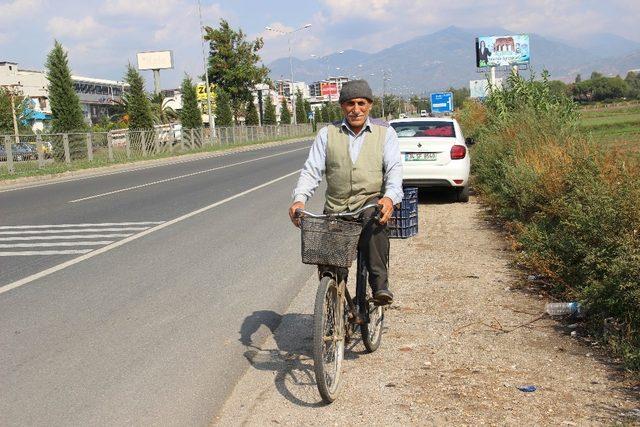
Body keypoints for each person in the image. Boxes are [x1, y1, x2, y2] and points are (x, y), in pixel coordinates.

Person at [288, 80, 403, 305]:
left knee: (376, 221)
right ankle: (334, 302)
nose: (356, 109)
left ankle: (380, 286)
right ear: (342, 106)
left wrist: (389, 197)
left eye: (361, 103)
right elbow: (312, 170)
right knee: (330, 265)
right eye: (350, 103)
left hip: (369, 201)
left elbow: (394, 169)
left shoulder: (385, 133)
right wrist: (299, 200)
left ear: (370, 105)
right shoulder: (327, 134)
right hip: (337, 207)